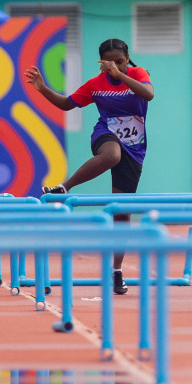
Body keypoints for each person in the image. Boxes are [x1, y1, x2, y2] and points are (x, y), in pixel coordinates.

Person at [25, 38, 153, 297]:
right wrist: (42, 89)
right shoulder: (96, 85)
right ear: (101, 63)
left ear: (127, 59)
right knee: (111, 155)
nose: (115, 66)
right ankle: (64, 187)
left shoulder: (138, 74)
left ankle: (116, 271)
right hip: (105, 134)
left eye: (120, 61)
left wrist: (121, 75)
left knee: (122, 213)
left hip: (135, 146)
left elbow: (148, 94)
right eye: (110, 62)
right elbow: (66, 103)